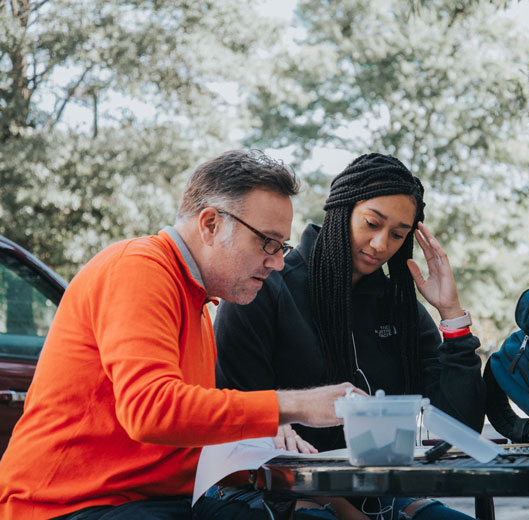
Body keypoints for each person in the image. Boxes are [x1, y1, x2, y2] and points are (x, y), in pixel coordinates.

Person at [0, 150, 362, 520]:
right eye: (267, 242)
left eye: (281, 246)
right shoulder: (139, 268)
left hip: (148, 501)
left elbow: (180, 433)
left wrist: (268, 452)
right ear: (210, 224)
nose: (278, 261)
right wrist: (299, 405)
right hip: (64, 506)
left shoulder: (198, 302)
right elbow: (150, 410)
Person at [195, 153, 485, 519]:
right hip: (268, 489)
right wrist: (346, 511)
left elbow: (462, 426)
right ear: (342, 210)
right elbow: (244, 429)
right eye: (371, 223)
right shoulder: (265, 286)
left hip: (378, 494)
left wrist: (452, 315)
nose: (381, 244)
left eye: (398, 234)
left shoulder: (399, 305)